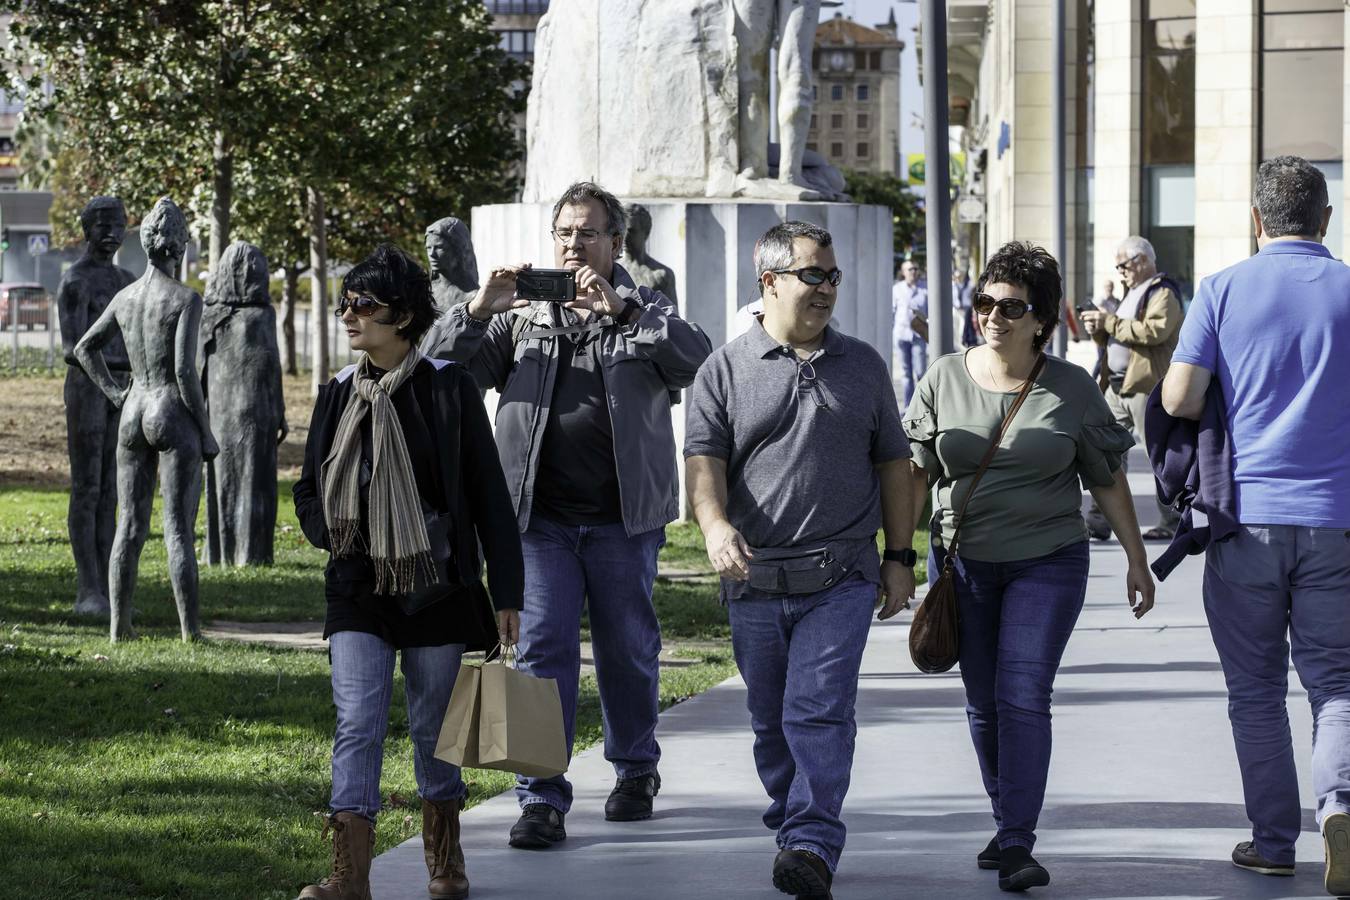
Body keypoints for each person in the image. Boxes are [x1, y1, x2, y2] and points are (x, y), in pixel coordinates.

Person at [439, 181, 713, 847]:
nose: (574, 243)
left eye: (588, 232)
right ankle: (540, 797)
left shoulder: (645, 307)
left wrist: (620, 310)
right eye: (565, 232)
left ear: (616, 242)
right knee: (542, 652)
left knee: (628, 650)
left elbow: (697, 363)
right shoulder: (520, 315)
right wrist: (478, 309)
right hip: (537, 524)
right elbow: (443, 374)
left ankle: (634, 770)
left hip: (624, 519)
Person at [904, 241, 1155, 892]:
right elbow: (911, 474)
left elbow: (1105, 479)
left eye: (1010, 307)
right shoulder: (942, 379)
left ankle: (1018, 839)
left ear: (1042, 319)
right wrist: (895, 557)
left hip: (1048, 561)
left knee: (1021, 695)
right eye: (983, 302)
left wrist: (1137, 559)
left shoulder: (1070, 388)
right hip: (962, 564)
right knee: (982, 703)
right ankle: (1006, 815)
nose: (992, 315)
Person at [685, 221, 915, 900]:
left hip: (841, 575)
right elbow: (704, 464)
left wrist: (899, 558)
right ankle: (796, 820)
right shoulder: (722, 370)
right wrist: (716, 525)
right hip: (754, 577)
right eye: (813, 275)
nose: (826, 289)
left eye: (833, 276)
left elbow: (894, 465)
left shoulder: (865, 365)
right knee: (770, 722)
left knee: (817, 706)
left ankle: (813, 840)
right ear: (771, 282)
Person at [292, 244, 523, 900]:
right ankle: (350, 876)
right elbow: (308, 488)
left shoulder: (448, 389)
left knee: (432, 727)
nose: (348, 314)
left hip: (438, 589)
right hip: (357, 588)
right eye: (345, 302)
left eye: (363, 304)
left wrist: (507, 591)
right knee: (359, 719)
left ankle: (445, 863)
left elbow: (488, 499)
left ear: (405, 316)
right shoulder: (338, 392)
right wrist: (335, 532)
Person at [1160, 155, 1350, 897]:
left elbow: (1178, 396)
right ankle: (1341, 804)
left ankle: (1274, 842)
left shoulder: (1224, 289)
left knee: (1256, 690)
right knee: (1337, 683)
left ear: (1257, 219)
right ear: (1326, 221)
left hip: (1245, 521)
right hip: (1338, 521)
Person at [73, 197, 219, 642]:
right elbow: (182, 372)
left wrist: (117, 394)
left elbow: (84, 349)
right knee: (177, 528)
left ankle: (120, 629)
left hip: (134, 410)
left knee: (129, 526)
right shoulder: (186, 299)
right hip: (171, 409)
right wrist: (207, 432)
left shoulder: (125, 296)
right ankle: (190, 633)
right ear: (179, 245)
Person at [57, 196, 136, 617]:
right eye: (102, 224)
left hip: (123, 393)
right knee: (87, 488)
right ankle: (88, 588)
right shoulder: (76, 282)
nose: (110, 231)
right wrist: (121, 369)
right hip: (88, 392)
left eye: (118, 223)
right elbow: (74, 349)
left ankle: (110, 587)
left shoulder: (127, 279)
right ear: (85, 228)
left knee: (113, 490)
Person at [1081, 235, 1183, 541]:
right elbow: (1120, 335)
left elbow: (1154, 331)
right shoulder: (1132, 293)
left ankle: (1173, 521)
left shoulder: (1162, 292)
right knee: (1107, 454)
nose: (1120, 272)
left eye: (1123, 265)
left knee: (1159, 455)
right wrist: (1099, 329)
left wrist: (1108, 322)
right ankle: (1100, 521)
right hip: (1118, 386)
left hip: (1145, 386)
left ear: (1141, 260)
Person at [892, 259, 928, 406]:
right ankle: (908, 407)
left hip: (919, 335)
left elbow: (931, 312)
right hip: (901, 335)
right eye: (910, 269)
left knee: (920, 372)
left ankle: (922, 406)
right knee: (906, 374)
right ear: (903, 272)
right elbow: (892, 312)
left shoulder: (925, 288)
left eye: (915, 269)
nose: (913, 272)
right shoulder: (897, 289)